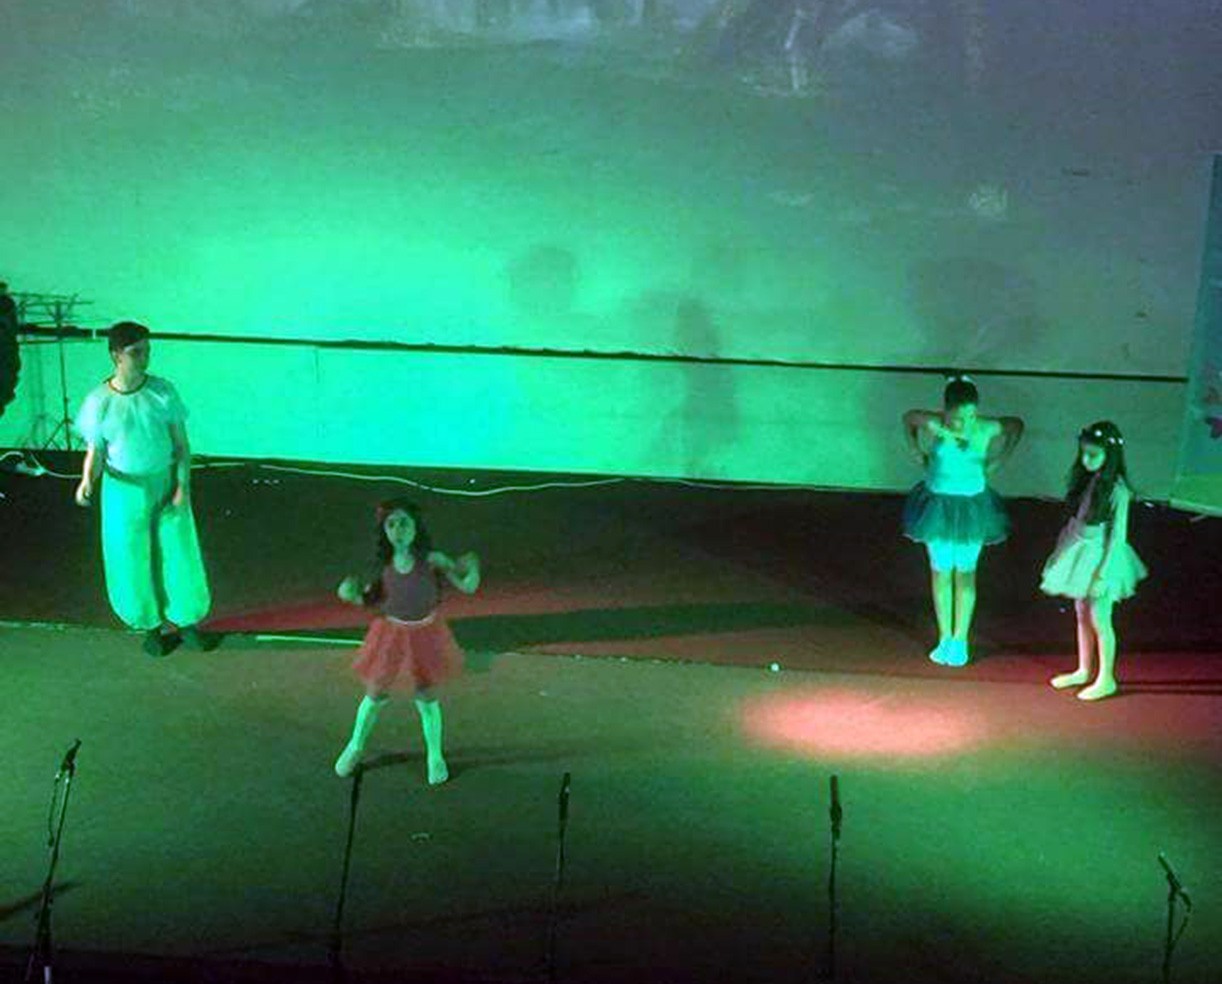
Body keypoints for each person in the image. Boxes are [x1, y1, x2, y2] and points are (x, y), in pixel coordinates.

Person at [74, 322, 212, 656]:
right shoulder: (99, 402)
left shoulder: (162, 392)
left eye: (147, 351)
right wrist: (87, 481)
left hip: (164, 481)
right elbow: (96, 451)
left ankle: (187, 622)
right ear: (116, 356)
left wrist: (182, 486)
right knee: (130, 556)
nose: (144, 358)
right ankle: (150, 626)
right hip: (123, 490)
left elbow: (181, 445)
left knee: (178, 552)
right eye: (136, 352)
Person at [334, 498, 480, 786]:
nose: (398, 530)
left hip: (425, 635)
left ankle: (434, 755)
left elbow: (467, 586)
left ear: (416, 527)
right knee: (375, 693)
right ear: (384, 531)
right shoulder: (382, 567)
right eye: (391, 524)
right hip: (390, 637)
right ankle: (355, 745)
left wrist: (473, 566)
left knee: (426, 697)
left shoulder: (433, 561)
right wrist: (351, 595)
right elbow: (371, 600)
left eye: (404, 523)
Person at [902, 374, 1024, 665]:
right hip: (938, 509)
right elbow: (909, 418)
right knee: (941, 572)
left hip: (973, 511)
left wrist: (1001, 459)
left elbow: (1016, 425)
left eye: (970, 416)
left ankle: (961, 639)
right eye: (957, 418)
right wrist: (916, 449)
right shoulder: (935, 424)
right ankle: (944, 636)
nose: (964, 423)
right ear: (945, 411)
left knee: (965, 573)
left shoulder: (984, 428)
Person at [1040, 421, 1147, 701]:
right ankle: (1084, 669)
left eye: (1093, 454)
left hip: (1101, 557)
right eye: (1083, 453)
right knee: (1081, 612)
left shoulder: (1118, 490)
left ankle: (1106, 677)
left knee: (1100, 618)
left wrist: (1102, 573)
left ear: (1110, 455)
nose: (1086, 460)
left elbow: (1118, 538)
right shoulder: (1091, 480)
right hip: (1081, 550)